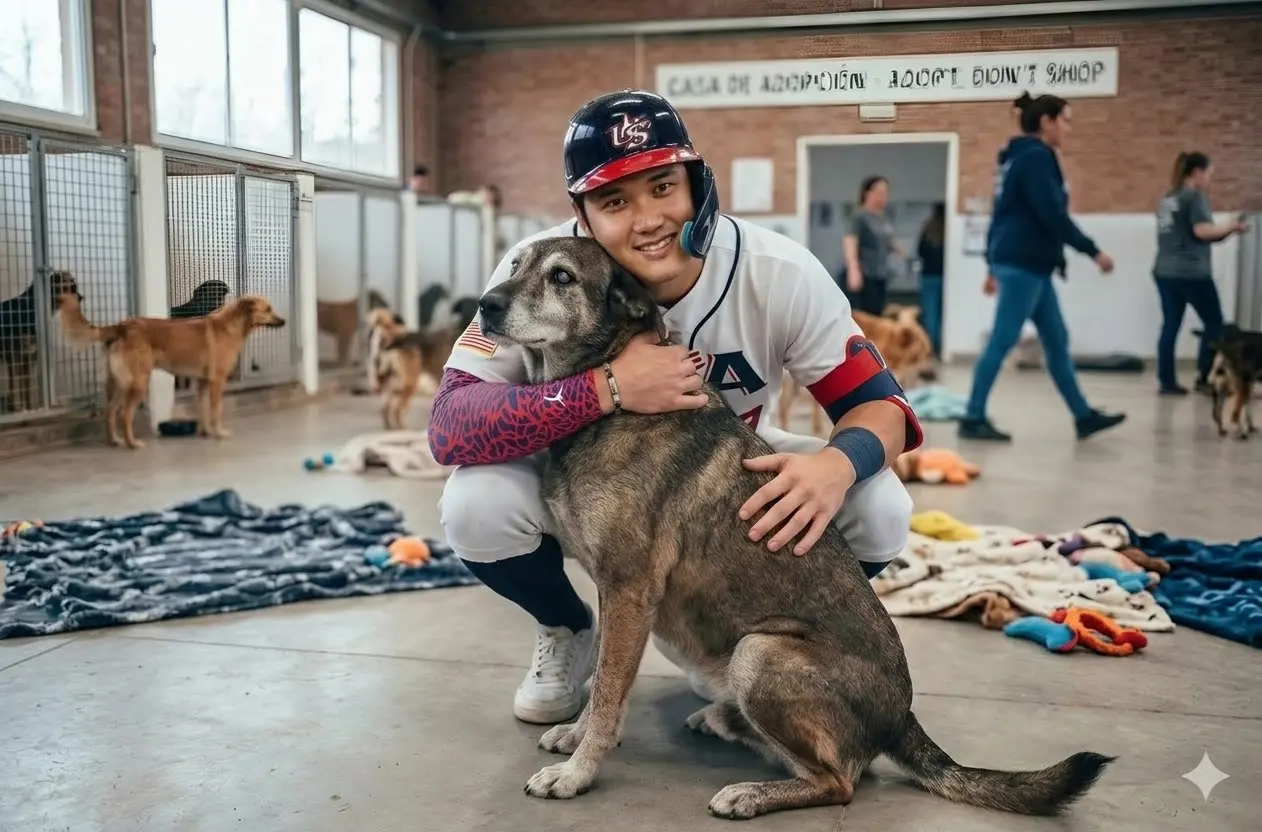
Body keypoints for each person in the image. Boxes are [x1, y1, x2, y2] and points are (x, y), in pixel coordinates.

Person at [426, 89, 924, 726]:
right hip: (577, 476)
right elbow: (450, 427)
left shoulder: (778, 272)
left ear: (698, 185)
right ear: (583, 217)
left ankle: (725, 636)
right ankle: (567, 627)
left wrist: (835, 465)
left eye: (663, 187)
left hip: (715, 478)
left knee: (881, 508)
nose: (647, 220)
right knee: (475, 505)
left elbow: (884, 408)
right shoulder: (541, 266)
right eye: (615, 202)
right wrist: (606, 387)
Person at [958, 92, 1126, 442]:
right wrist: (1093, 251)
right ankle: (972, 416)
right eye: (1065, 120)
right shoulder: (1036, 157)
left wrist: (991, 264)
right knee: (1003, 340)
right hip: (1024, 265)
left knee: (1056, 341)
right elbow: (1052, 214)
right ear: (1046, 121)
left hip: (1028, 265)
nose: (1068, 128)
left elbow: (1001, 216)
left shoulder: (1016, 159)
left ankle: (1082, 416)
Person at [1152, 151, 1249, 396]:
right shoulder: (1194, 196)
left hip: (1164, 271)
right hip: (1192, 273)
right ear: (1197, 172)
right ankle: (1204, 377)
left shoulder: (1167, 199)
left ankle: (1166, 381)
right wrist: (1231, 227)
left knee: (1170, 326)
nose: (1208, 179)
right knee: (1214, 323)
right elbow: (1202, 231)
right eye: (1208, 174)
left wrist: (1223, 231)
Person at [843, 176, 900, 314]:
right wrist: (853, 269)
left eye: (885, 193)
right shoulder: (859, 217)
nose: (883, 196)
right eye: (879, 192)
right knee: (865, 315)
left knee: (878, 312)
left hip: (880, 274)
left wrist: (895, 247)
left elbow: (884, 240)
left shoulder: (883, 218)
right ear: (867, 193)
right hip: (865, 274)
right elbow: (850, 241)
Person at [916, 202, 946, 356]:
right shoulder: (948, 231)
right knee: (943, 313)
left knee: (930, 314)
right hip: (945, 277)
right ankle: (941, 346)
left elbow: (920, 251)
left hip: (928, 276)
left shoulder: (928, 229)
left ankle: (929, 348)